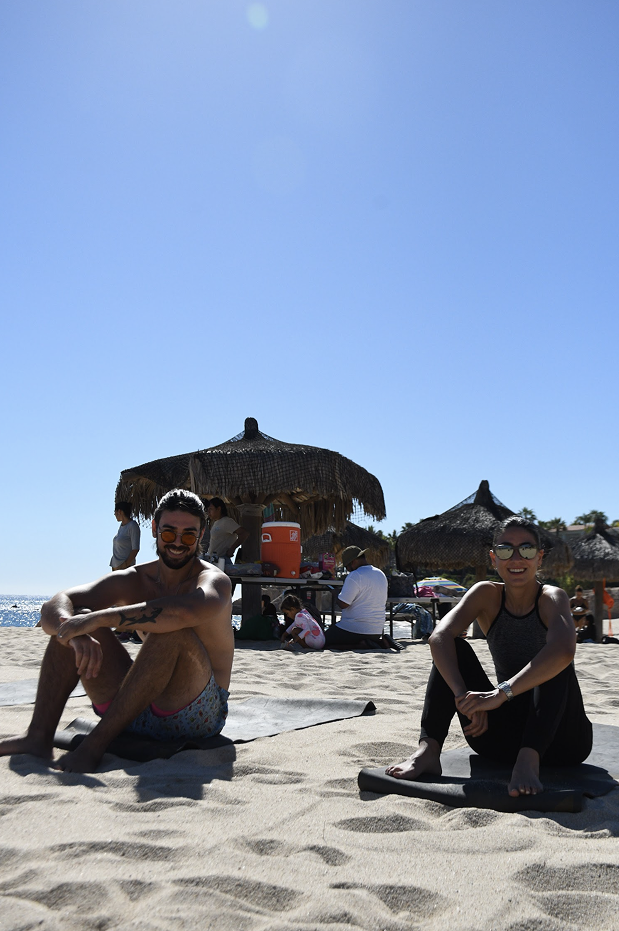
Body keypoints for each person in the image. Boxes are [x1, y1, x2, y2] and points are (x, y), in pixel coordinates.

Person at [0, 489, 234, 773]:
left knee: (173, 632)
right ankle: (38, 736)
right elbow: (56, 603)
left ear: (201, 535)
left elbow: (181, 613)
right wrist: (75, 633)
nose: (177, 543)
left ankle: (95, 745)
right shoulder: (135, 579)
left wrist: (98, 619)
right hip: (131, 711)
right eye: (168, 533)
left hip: (194, 714)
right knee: (74, 620)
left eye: (188, 536)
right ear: (154, 528)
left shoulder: (214, 581)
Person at [386, 517, 593, 797]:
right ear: (494, 558)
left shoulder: (551, 597)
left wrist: (499, 694)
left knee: (554, 661)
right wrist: (466, 700)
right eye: (506, 550)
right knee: (455, 649)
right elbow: (439, 637)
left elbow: (565, 649)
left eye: (527, 549)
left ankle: (529, 759)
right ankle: (429, 750)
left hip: (562, 742)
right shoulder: (486, 594)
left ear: (539, 557)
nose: (516, 558)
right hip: (499, 740)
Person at [323, 546, 388, 648]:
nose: (348, 570)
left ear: (353, 562)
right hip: (376, 631)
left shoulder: (355, 575)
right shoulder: (380, 573)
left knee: (322, 641)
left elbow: (343, 604)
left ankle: (361, 645)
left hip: (354, 629)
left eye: (347, 567)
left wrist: (335, 594)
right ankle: (375, 643)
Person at [206, 498, 249, 564]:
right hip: (213, 560)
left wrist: (232, 549)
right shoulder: (216, 522)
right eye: (208, 509)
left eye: (211, 509)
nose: (208, 512)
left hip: (222, 561)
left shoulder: (227, 521)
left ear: (218, 509)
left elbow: (244, 533)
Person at [110, 501, 141, 571]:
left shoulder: (133, 526)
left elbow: (135, 549)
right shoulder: (122, 526)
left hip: (125, 569)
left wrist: (125, 565)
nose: (114, 515)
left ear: (119, 511)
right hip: (115, 568)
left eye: (115, 512)